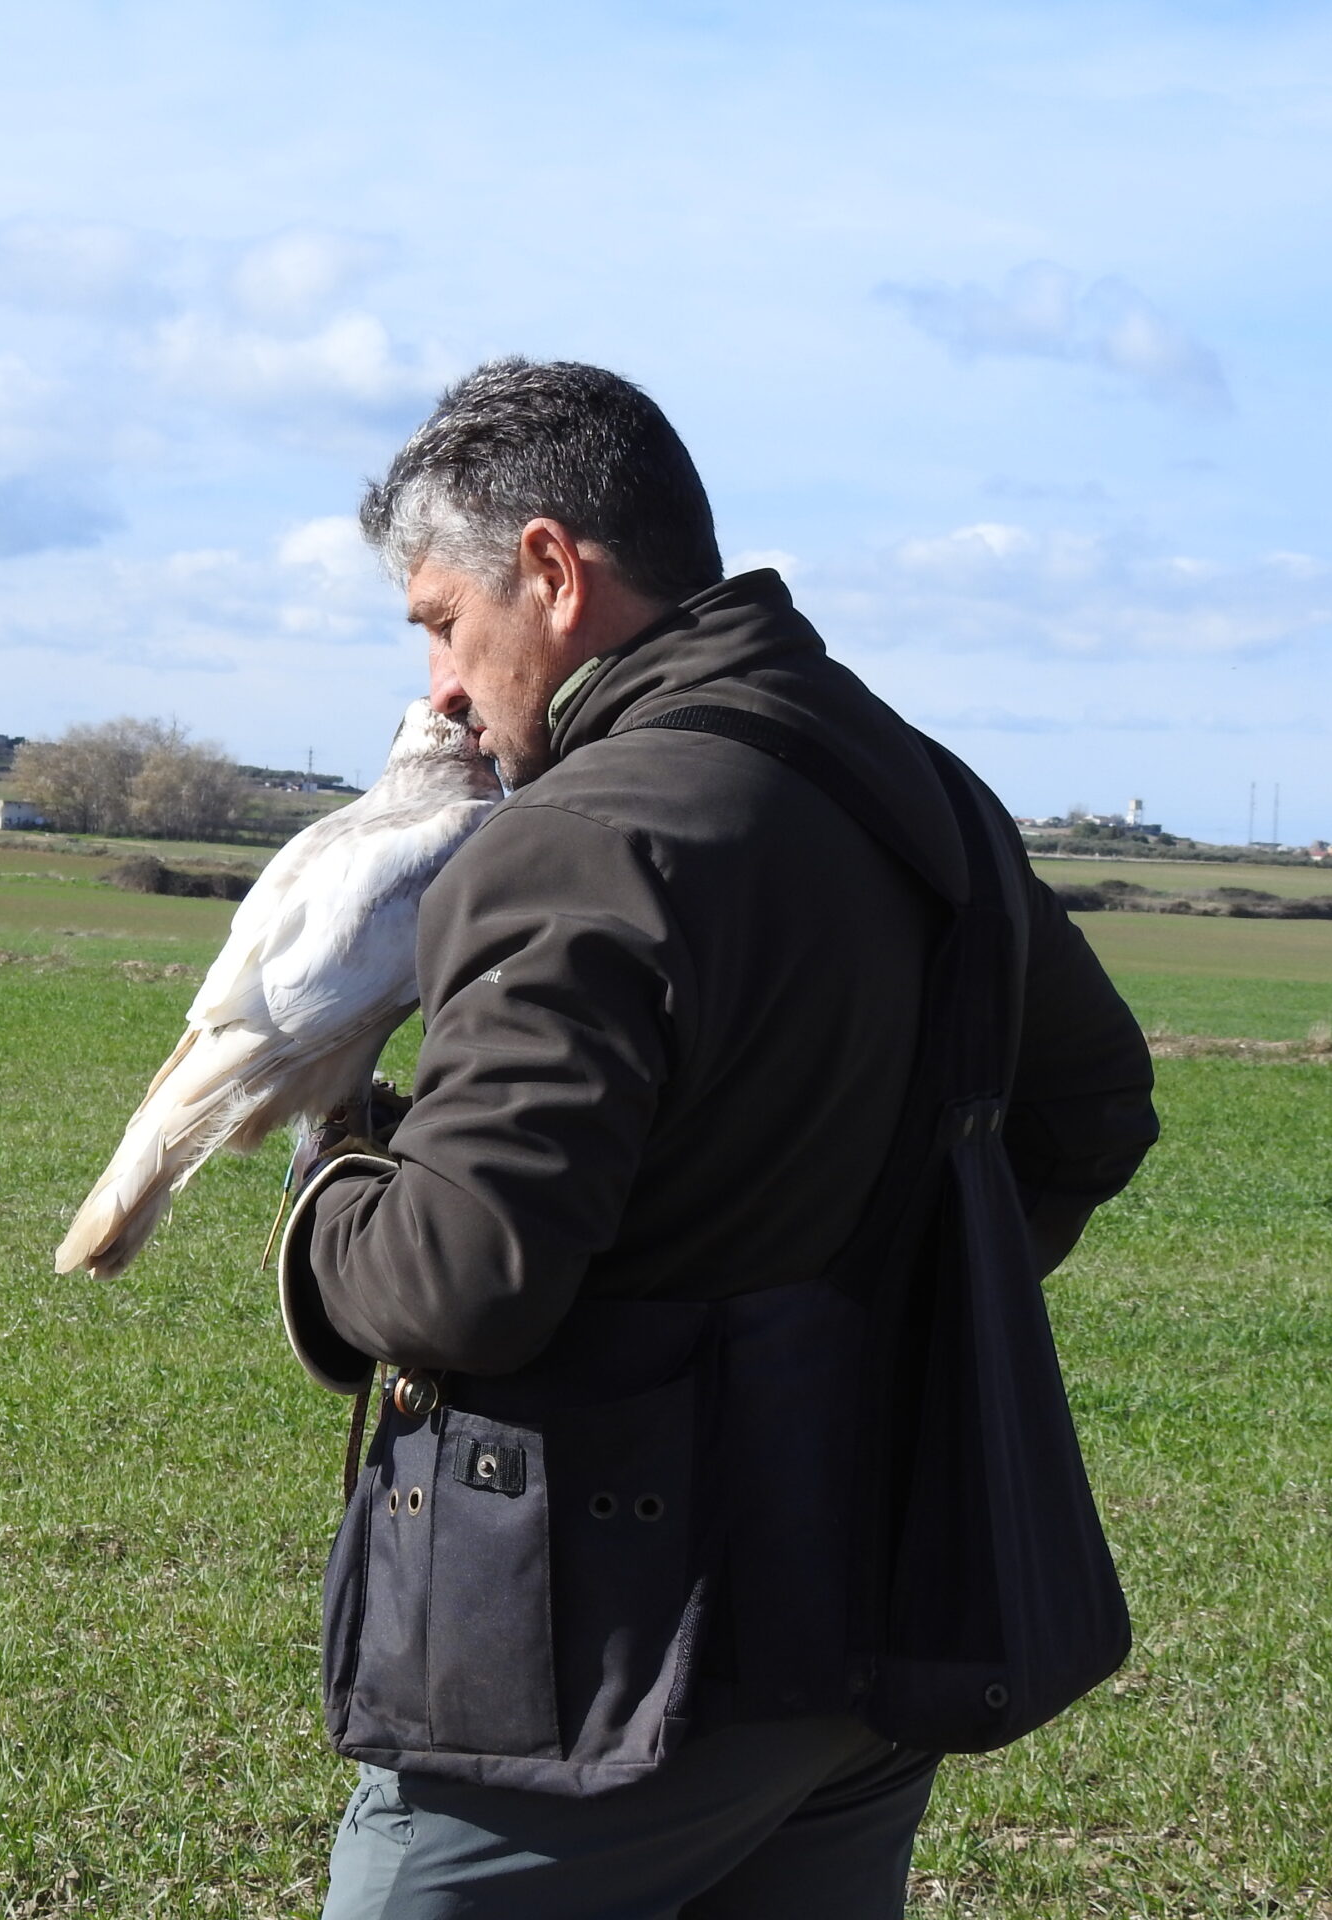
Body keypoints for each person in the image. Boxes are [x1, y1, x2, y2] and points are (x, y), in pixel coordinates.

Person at [276, 359, 1159, 1919]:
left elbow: (456, 1283)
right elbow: (1091, 1107)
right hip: (868, 1643)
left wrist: (334, 1167)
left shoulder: (573, 841)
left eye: (436, 620)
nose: (439, 691)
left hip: (592, 1682)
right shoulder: (923, 790)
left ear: (551, 573)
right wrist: (877, 1310)